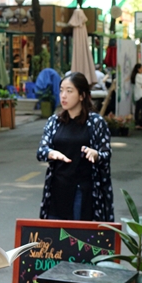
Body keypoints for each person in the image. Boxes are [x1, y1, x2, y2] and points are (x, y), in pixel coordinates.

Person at [37, 72, 114, 222]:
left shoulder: (96, 122)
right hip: (57, 189)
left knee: (77, 239)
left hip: (82, 190)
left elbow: (106, 153)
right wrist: (51, 153)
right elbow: (41, 150)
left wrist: (96, 154)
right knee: (54, 240)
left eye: (69, 91)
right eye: (61, 90)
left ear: (82, 95)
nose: (63, 95)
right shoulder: (54, 121)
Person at [130, 64, 142, 129]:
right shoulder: (139, 76)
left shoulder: (135, 76)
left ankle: (137, 123)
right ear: (138, 69)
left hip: (137, 95)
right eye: (141, 68)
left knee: (137, 110)